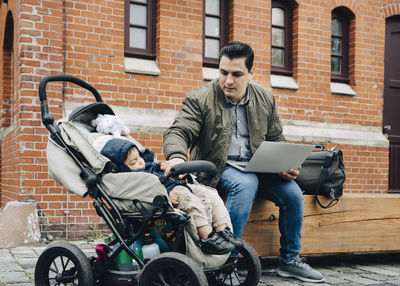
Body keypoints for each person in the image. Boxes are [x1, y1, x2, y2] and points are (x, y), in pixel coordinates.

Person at [162, 41, 325, 283]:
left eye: (236, 74)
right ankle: (226, 261)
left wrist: (285, 164)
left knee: (292, 194)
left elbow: (276, 139)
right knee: (245, 183)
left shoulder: (265, 99)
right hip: (219, 168)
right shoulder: (200, 99)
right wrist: (176, 156)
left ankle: (290, 261)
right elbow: (179, 131)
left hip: (260, 167)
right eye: (223, 72)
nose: (228, 80)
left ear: (250, 73)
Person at [98, 137, 241, 255]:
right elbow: (145, 191)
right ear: (123, 168)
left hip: (179, 185)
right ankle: (207, 238)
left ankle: (223, 231)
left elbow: (163, 173)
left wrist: (166, 167)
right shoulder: (130, 180)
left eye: (139, 157)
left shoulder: (150, 166)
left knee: (210, 193)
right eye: (133, 162)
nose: (140, 162)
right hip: (165, 195)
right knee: (191, 202)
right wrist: (166, 194)